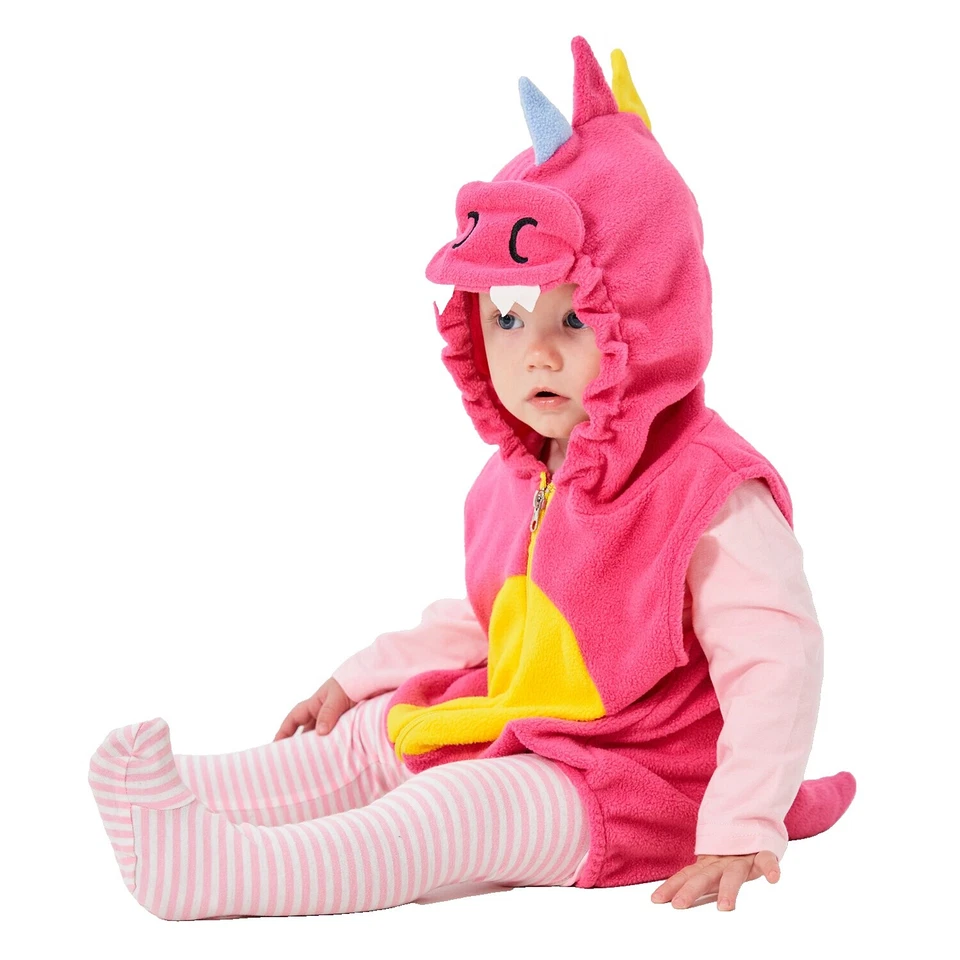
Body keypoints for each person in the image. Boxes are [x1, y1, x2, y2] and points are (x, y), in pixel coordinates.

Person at [88, 35, 856, 920]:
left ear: (649, 318)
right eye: (509, 317)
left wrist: (743, 820)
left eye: (575, 319)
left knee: (457, 808)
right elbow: (494, 616)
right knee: (379, 730)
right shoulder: (518, 474)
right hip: (532, 721)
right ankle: (187, 801)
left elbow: (776, 657)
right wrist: (363, 675)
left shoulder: (708, 490)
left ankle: (236, 872)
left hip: (640, 776)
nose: (537, 353)